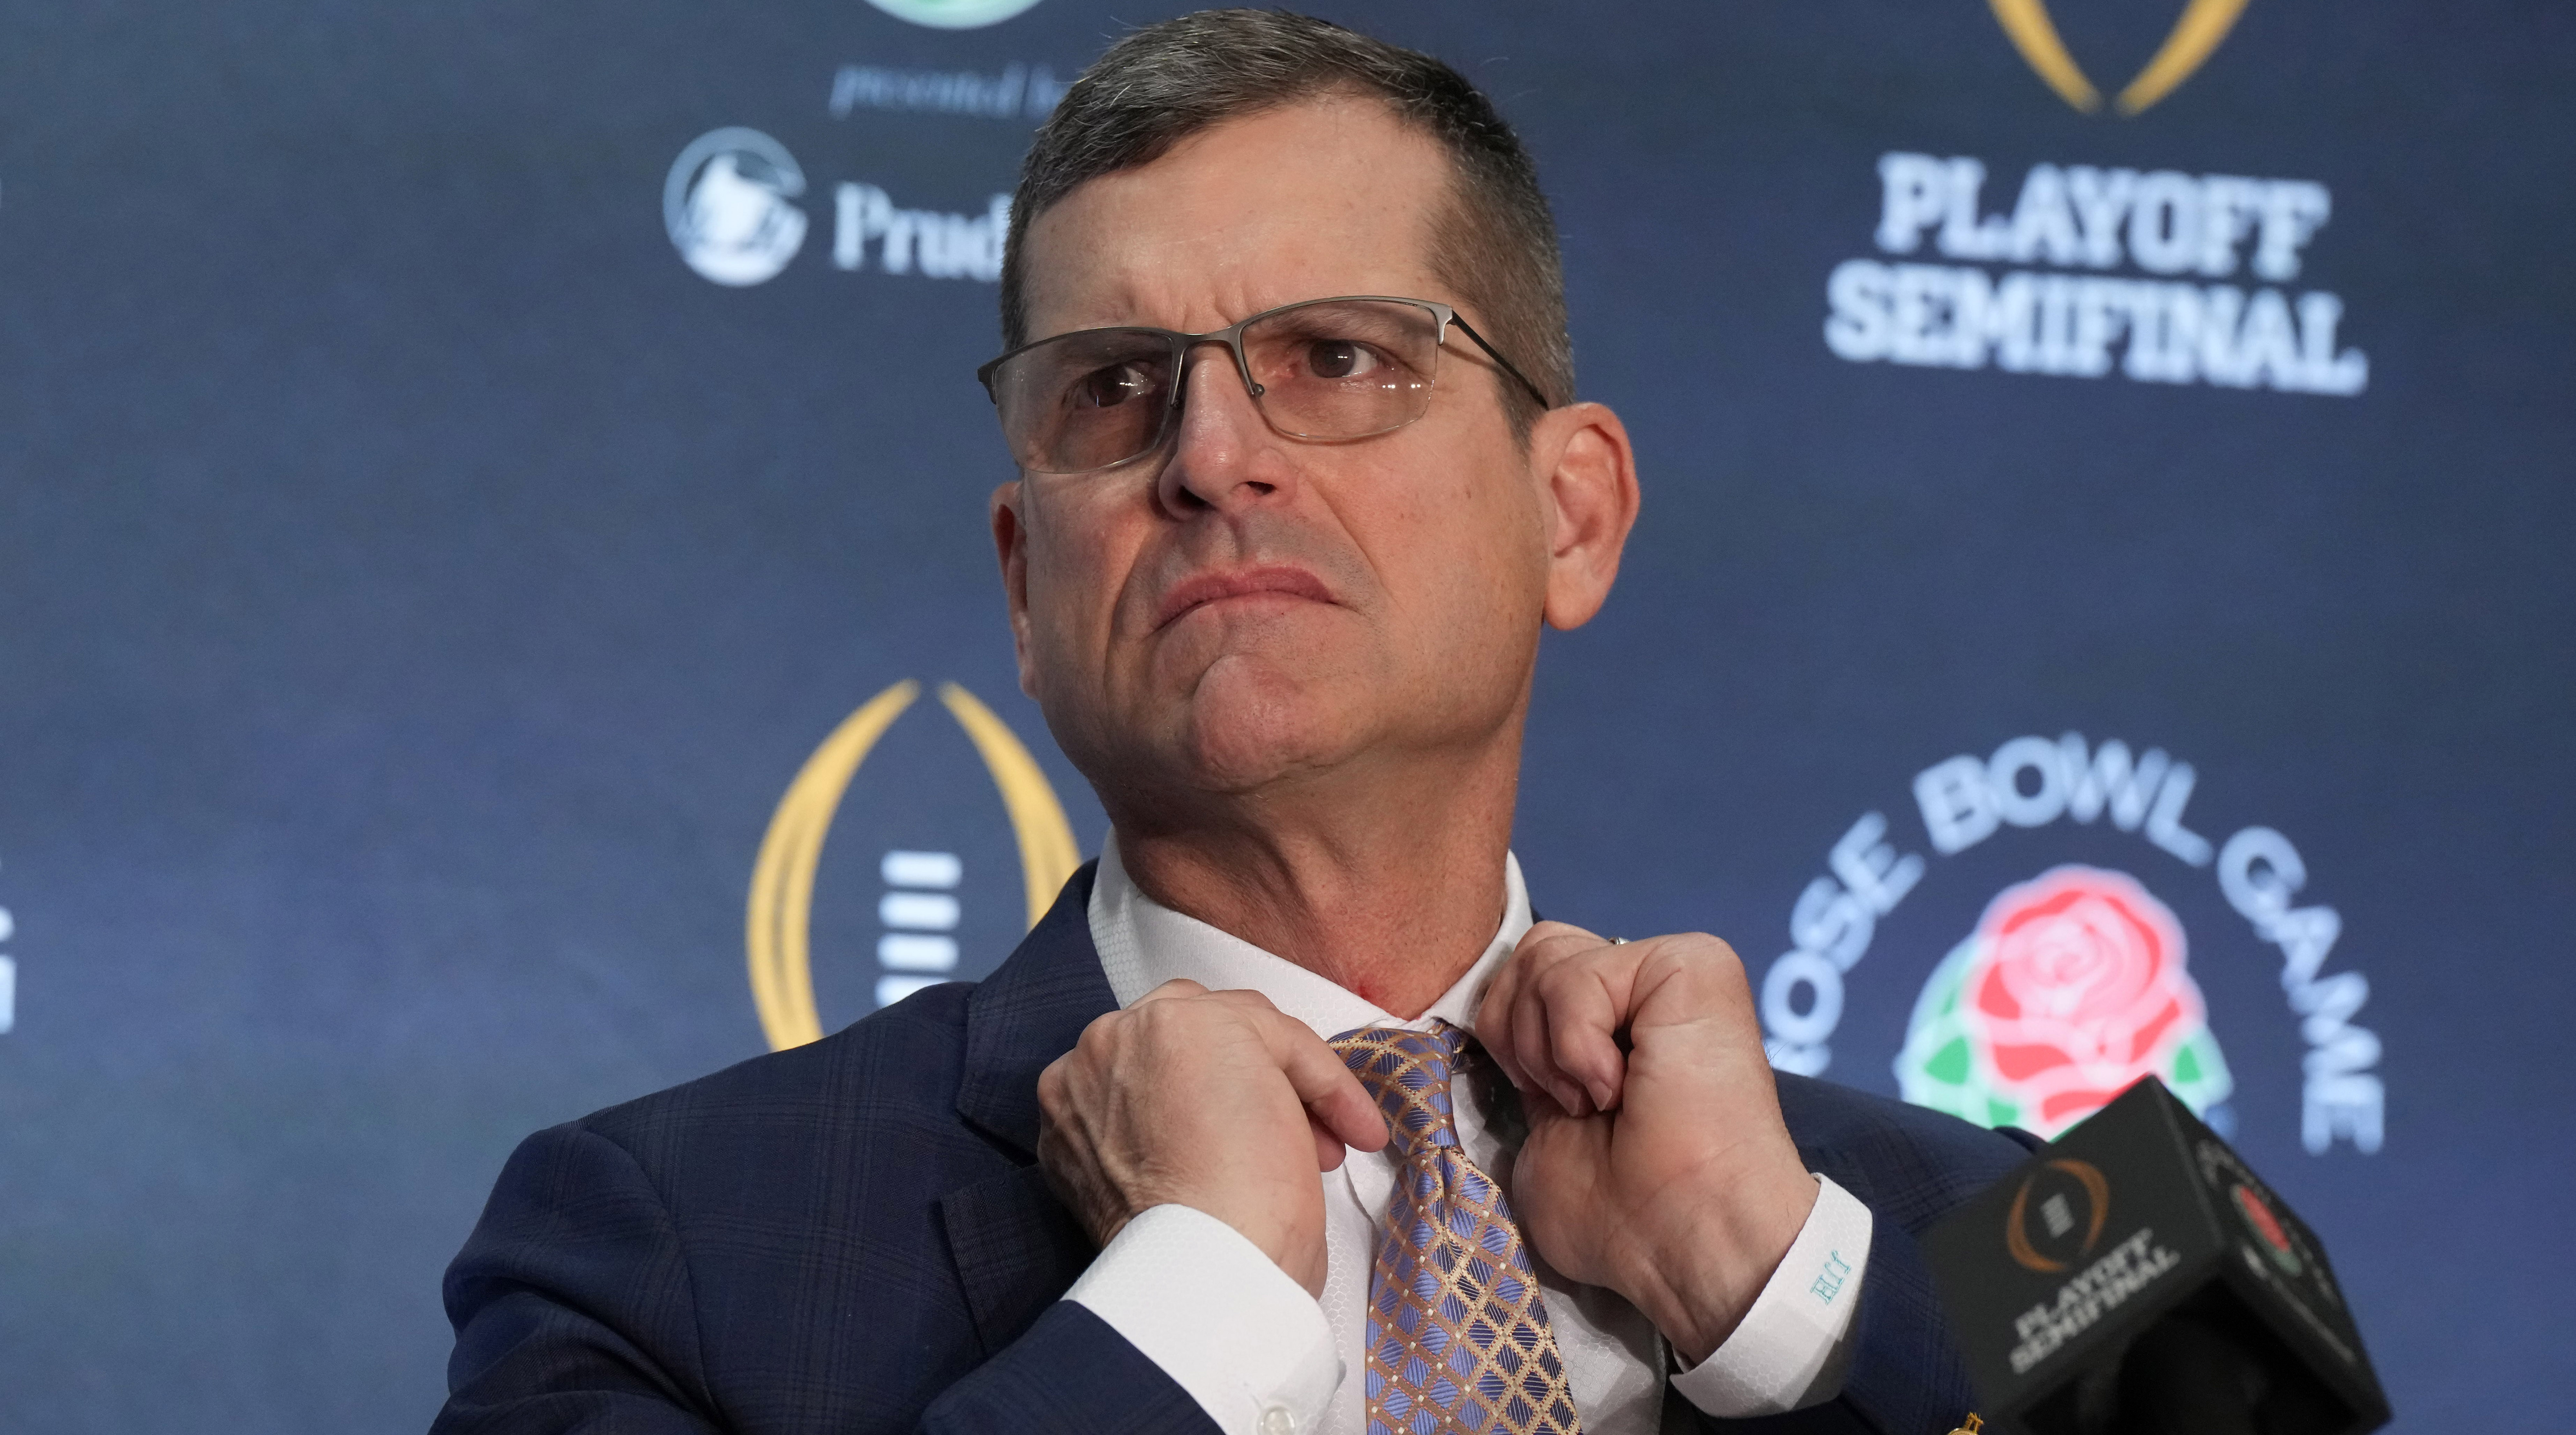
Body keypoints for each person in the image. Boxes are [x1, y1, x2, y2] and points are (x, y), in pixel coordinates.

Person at [431, 13, 2034, 1434]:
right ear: (1024, 586)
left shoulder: (1973, 1232)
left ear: (1574, 516)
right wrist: (1184, 1317)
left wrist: (1787, 1292)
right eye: (1115, 389)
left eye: (1336, 357)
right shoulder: (663, 1250)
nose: (1211, 457)